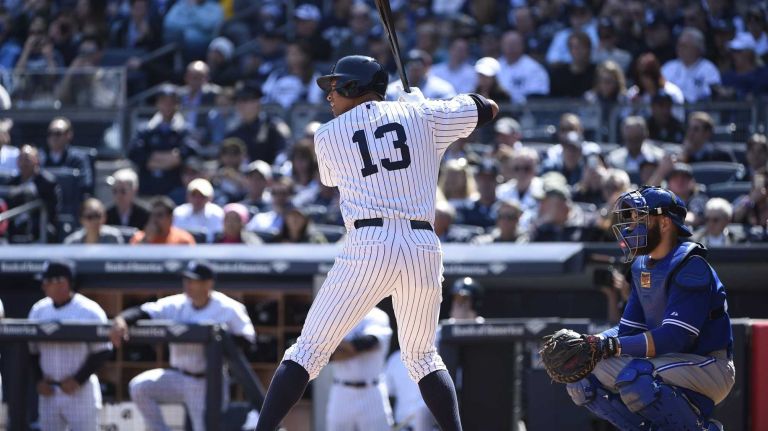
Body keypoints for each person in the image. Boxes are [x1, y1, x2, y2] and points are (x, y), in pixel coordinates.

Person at [253, 54, 499, 431]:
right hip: (422, 245)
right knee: (422, 357)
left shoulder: (327, 134)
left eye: (335, 86)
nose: (329, 95)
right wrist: (426, 109)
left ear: (354, 87)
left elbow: (333, 178)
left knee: (307, 350)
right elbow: (488, 108)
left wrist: (414, 114)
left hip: (370, 243)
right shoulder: (424, 114)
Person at [563, 186, 735, 431]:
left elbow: (677, 337)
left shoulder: (691, 265)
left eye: (638, 219)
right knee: (582, 373)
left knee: (637, 378)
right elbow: (628, 330)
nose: (630, 227)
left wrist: (611, 346)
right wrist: (591, 343)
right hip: (667, 360)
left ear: (664, 223)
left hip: (708, 365)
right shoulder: (641, 266)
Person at [110, 260, 256, 431]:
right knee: (140, 387)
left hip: (208, 382)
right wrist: (122, 320)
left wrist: (216, 343)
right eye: (186, 279)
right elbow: (144, 311)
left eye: (193, 280)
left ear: (208, 283)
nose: (187, 284)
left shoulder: (228, 308)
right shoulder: (176, 303)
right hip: (178, 377)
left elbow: (248, 340)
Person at [29, 260, 111, 431]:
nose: (43, 287)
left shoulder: (89, 310)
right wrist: (38, 380)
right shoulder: (38, 310)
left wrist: (78, 379)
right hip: (49, 390)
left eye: (47, 282)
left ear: (63, 282)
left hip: (80, 391)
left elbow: (103, 351)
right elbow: (32, 352)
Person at [326, 307, 394, 431]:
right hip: (341, 392)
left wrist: (335, 343)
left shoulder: (376, 315)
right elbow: (326, 355)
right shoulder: (335, 315)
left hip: (371, 392)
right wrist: (352, 348)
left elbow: (368, 343)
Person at [127, 84, 198, 197]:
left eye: (172, 102)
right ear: (157, 103)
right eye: (164, 101)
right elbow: (133, 152)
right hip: (147, 189)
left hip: (175, 191)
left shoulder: (185, 130)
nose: (167, 105)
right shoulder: (145, 129)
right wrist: (169, 158)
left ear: (177, 104)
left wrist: (152, 158)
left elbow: (189, 152)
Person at [7, 145, 60, 243]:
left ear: (36, 160)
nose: (23, 163)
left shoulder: (47, 182)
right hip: (14, 227)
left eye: (27, 159)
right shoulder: (12, 182)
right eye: (20, 159)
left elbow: (51, 211)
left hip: (38, 228)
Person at [661, 27, 721, 102]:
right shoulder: (669, 67)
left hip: (699, 110)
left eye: (684, 46)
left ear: (697, 48)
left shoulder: (708, 69)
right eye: (679, 45)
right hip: (672, 110)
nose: (679, 48)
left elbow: (711, 95)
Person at [40, 117, 94, 196]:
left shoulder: (79, 158)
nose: (53, 137)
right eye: (50, 133)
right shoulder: (40, 158)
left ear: (68, 135)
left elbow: (86, 184)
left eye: (58, 133)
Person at [497, 30, 549, 103]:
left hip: (525, 112)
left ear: (522, 46)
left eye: (514, 44)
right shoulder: (495, 66)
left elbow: (536, 97)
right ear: (501, 45)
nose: (510, 47)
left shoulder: (534, 68)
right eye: (507, 44)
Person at [172, 178, 224, 243]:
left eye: (202, 196)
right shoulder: (178, 213)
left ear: (210, 197)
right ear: (187, 196)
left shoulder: (217, 213)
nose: (197, 200)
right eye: (194, 195)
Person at [129, 196, 196, 245]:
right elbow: (132, 261)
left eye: (159, 215)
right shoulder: (138, 238)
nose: (154, 219)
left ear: (170, 218)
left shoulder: (184, 240)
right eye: (152, 215)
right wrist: (146, 240)